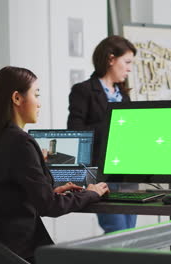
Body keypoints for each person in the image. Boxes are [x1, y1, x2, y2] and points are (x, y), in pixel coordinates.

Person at [0, 66, 109, 263]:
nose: (39, 104)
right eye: (36, 95)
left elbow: (10, 195)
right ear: (17, 98)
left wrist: (50, 191)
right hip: (19, 252)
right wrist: (91, 193)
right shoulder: (20, 142)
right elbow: (49, 207)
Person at [67, 35, 138, 233]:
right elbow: (75, 132)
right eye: (127, 62)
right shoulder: (83, 91)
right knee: (116, 233)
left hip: (127, 172)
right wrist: (113, 126)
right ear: (110, 59)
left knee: (130, 233)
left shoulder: (123, 95)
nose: (130, 68)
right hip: (101, 174)